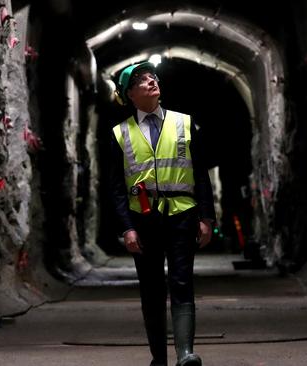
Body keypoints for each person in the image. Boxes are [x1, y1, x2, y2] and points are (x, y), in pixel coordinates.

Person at [107, 61, 215, 366]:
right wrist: (127, 228)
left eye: (151, 76)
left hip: (182, 214)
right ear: (129, 94)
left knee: (182, 282)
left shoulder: (184, 123)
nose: (150, 80)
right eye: (141, 80)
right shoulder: (120, 133)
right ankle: (159, 357)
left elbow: (200, 174)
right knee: (152, 289)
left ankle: (185, 354)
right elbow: (115, 187)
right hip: (142, 219)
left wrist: (207, 217)